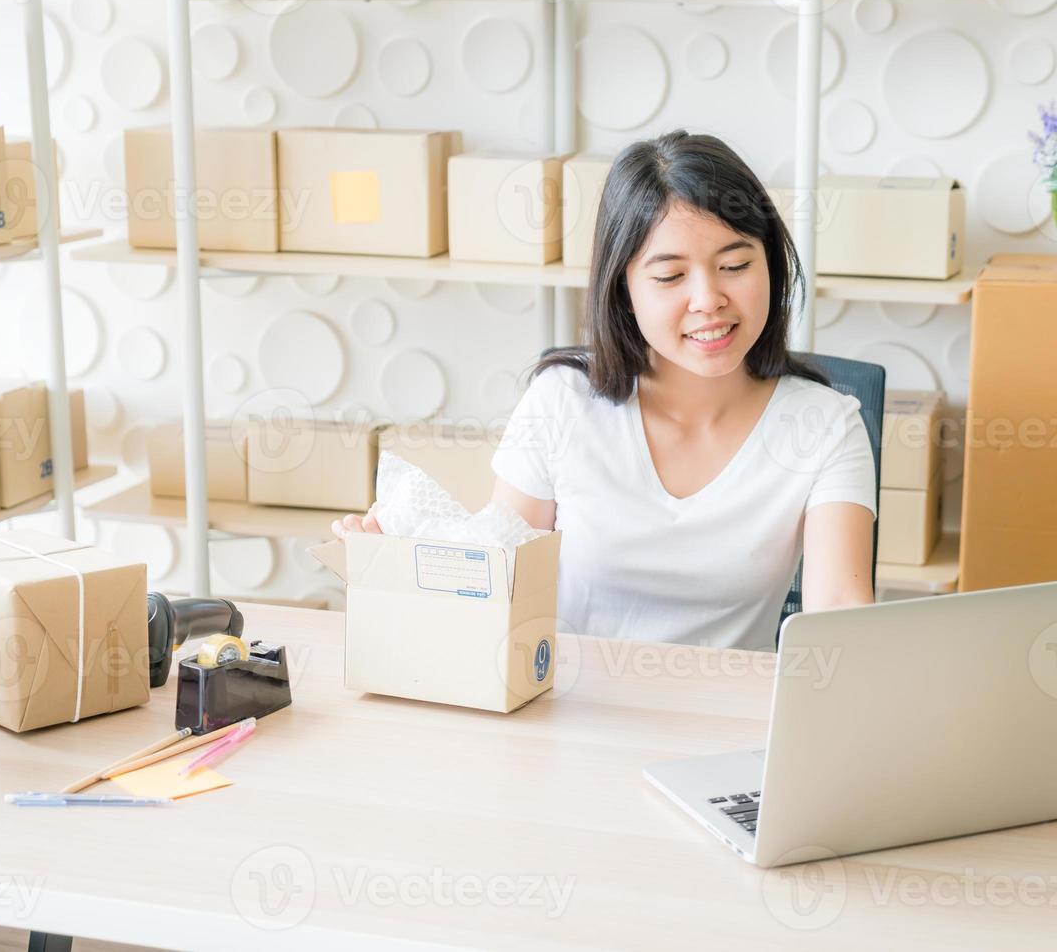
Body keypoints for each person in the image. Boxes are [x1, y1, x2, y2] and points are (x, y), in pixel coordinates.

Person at [333, 130, 877, 652]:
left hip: (734, 727)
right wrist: (398, 566)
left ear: (772, 268)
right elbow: (498, 589)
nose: (708, 299)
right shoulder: (562, 403)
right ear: (625, 290)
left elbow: (840, 612)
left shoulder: (824, 425)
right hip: (566, 712)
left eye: (734, 265)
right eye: (669, 277)